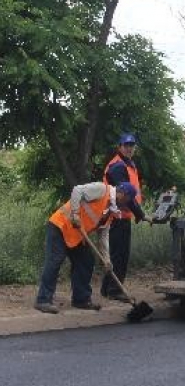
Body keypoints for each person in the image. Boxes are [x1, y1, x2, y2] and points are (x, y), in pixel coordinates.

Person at [35, 182, 138, 313]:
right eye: (127, 201)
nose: (126, 205)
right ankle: (43, 300)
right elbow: (77, 190)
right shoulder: (102, 189)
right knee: (55, 261)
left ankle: (81, 299)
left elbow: (103, 237)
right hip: (60, 226)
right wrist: (76, 214)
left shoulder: (111, 212)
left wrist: (107, 260)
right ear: (122, 194)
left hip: (77, 234)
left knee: (86, 261)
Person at [101, 133, 150, 301]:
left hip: (122, 214)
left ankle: (107, 288)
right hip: (117, 215)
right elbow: (125, 195)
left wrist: (137, 214)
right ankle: (115, 290)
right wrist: (141, 215)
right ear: (119, 147)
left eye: (132, 145)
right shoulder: (118, 166)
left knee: (117, 254)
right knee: (119, 255)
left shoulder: (128, 164)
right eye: (126, 145)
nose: (129, 148)